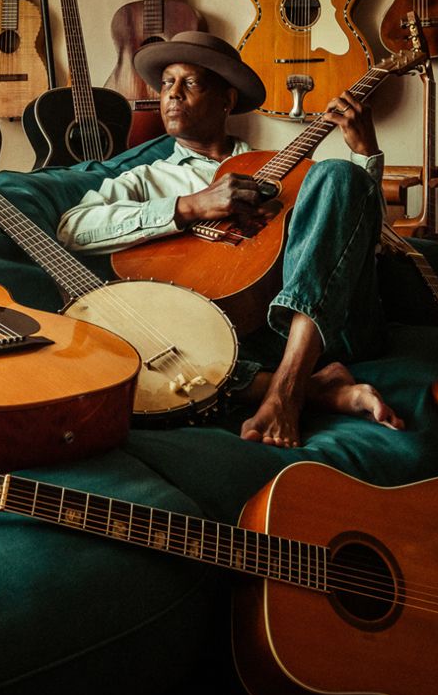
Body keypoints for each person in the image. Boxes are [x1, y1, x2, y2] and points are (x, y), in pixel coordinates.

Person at [57, 31, 403, 448]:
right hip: (230, 337)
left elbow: (363, 244)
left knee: (338, 174)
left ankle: (286, 391)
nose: (172, 94)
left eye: (191, 83)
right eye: (167, 83)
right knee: (119, 334)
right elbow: (74, 227)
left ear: (227, 100)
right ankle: (317, 386)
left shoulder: (286, 169)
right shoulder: (146, 178)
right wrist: (189, 207)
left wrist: (365, 154)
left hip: (332, 327)